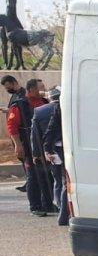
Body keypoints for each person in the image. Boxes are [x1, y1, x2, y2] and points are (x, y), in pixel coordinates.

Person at [4, 74, 52, 216]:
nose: (43, 91)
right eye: (40, 88)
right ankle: (35, 206)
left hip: (44, 145)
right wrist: (18, 145)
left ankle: (48, 204)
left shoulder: (43, 102)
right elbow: (12, 127)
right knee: (33, 175)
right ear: (31, 90)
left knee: (46, 175)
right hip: (28, 145)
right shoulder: (19, 105)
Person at [33, 86, 66, 224]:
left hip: (54, 150)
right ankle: (65, 211)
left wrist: (40, 152)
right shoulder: (67, 107)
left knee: (58, 180)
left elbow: (36, 135)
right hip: (68, 150)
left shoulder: (40, 111)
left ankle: (59, 206)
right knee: (66, 181)